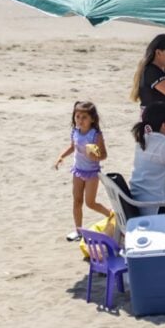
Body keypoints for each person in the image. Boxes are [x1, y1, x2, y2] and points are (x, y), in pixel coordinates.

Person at [54, 101, 113, 242]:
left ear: (92, 119)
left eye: (84, 117)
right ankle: (78, 231)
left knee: (90, 203)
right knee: (77, 201)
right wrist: (61, 156)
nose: (80, 120)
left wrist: (95, 156)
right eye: (77, 116)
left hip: (92, 173)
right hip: (78, 171)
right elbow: (72, 147)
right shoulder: (75, 131)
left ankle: (111, 214)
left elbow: (104, 155)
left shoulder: (95, 135)